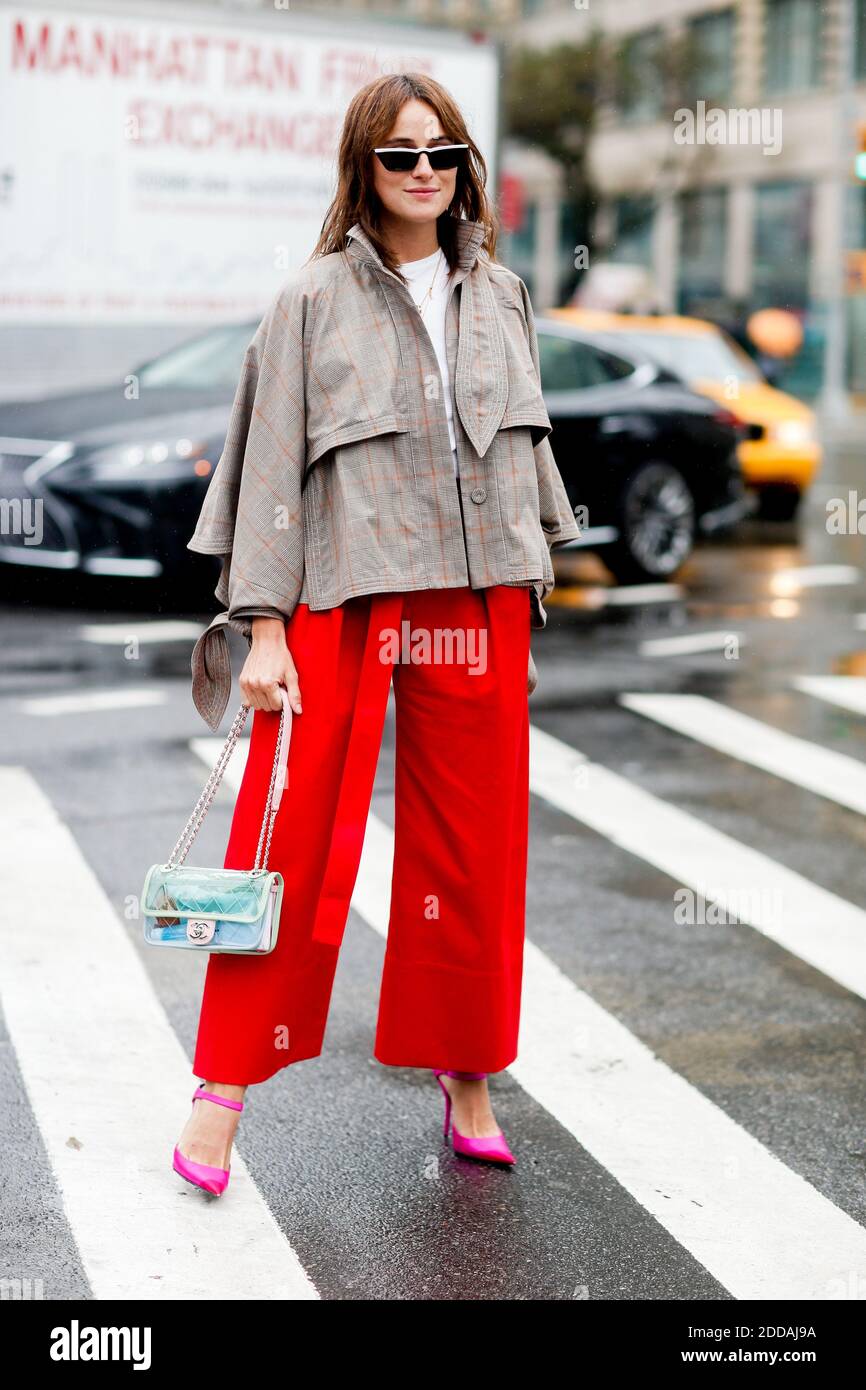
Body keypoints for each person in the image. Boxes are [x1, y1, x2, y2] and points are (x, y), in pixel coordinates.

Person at [172, 72, 580, 1194]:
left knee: (473, 853)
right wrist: (260, 626)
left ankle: (467, 1077)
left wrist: (543, 562)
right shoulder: (310, 300)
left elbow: (527, 448)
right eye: (399, 155)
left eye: (440, 152)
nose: (422, 172)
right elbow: (266, 466)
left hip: (479, 594)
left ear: (462, 168)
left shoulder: (500, 294)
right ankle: (221, 1087)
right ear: (363, 167)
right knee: (288, 831)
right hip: (349, 588)